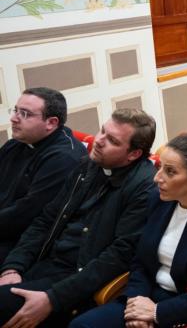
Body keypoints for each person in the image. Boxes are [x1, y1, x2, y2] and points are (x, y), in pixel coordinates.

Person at [0, 109, 157, 326]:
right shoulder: (88, 165)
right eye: (102, 131)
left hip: (75, 283)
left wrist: (52, 299)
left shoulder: (144, 188)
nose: (99, 140)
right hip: (44, 262)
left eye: (112, 140)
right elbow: (47, 219)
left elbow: (117, 257)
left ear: (133, 154)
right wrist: (13, 267)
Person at [70, 134, 187, 328]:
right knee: (82, 325)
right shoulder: (158, 199)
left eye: (170, 172)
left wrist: (156, 313)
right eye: (160, 166)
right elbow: (140, 261)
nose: (157, 178)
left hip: (183, 306)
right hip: (144, 295)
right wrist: (136, 306)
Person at [0, 88, 84, 262]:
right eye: (16, 110)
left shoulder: (63, 158)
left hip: (21, 242)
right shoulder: (17, 142)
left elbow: (26, 214)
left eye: (25, 114)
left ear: (51, 123)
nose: (14, 118)